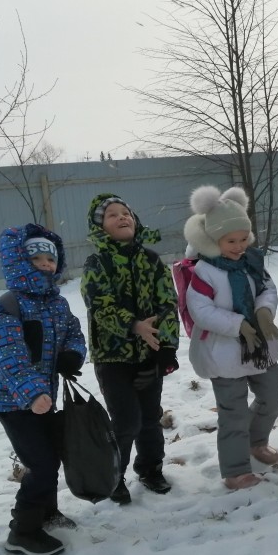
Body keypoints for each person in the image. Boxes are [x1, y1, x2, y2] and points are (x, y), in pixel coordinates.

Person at [0, 225, 87, 555]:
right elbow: (8, 357)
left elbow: (74, 333)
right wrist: (31, 394)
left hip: (44, 396)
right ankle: (22, 531)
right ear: (19, 262)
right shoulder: (5, 307)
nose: (44, 264)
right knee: (40, 463)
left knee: (52, 454)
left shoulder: (57, 303)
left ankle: (47, 513)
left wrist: (72, 354)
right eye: (36, 259)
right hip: (13, 401)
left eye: (50, 259)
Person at [183, 185, 278, 490]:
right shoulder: (204, 270)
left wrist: (264, 311)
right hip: (222, 351)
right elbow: (200, 309)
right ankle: (235, 469)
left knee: (273, 393)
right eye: (231, 241)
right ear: (214, 239)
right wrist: (238, 324)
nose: (239, 246)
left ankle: (256, 440)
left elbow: (267, 288)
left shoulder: (251, 261)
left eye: (244, 238)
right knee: (234, 411)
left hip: (259, 344)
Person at [81, 194, 180, 505]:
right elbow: (100, 306)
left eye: (126, 213)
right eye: (112, 215)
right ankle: (114, 477)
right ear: (100, 227)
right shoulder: (97, 263)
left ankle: (150, 468)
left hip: (150, 352)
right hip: (113, 357)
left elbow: (168, 302)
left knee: (150, 417)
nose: (122, 217)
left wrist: (166, 348)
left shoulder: (152, 260)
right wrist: (134, 325)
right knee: (126, 422)